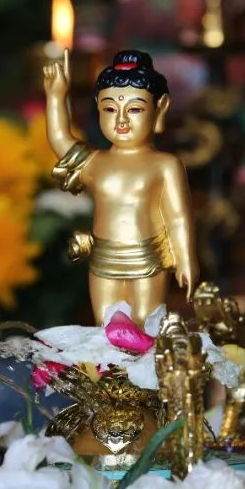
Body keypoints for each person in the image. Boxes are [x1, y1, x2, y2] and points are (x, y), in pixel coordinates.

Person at [43, 49, 198, 326]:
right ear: (98, 109)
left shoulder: (165, 164)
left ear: (160, 108)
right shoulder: (96, 162)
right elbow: (60, 139)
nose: (122, 120)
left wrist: (186, 258)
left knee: (146, 326)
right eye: (110, 109)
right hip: (103, 259)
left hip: (147, 259)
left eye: (135, 109)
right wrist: (56, 96)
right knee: (107, 328)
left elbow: (177, 217)